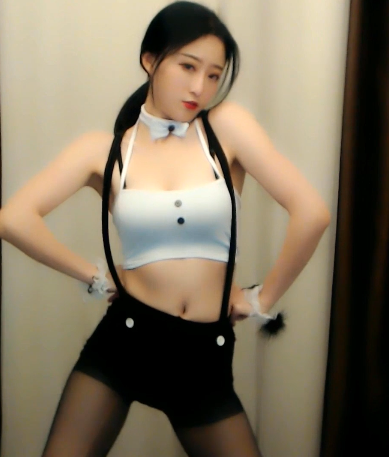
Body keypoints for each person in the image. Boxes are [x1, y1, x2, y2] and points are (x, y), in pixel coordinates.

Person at [0, 1, 330, 456]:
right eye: (187, 66)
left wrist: (262, 299)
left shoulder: (227, 130)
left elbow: (312, 213)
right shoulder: (104, 151)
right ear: (150, 60)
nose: (199, 87)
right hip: (126, 339)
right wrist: (95, 276)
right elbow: (14, 219)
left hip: (202, 354)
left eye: (213, 75)